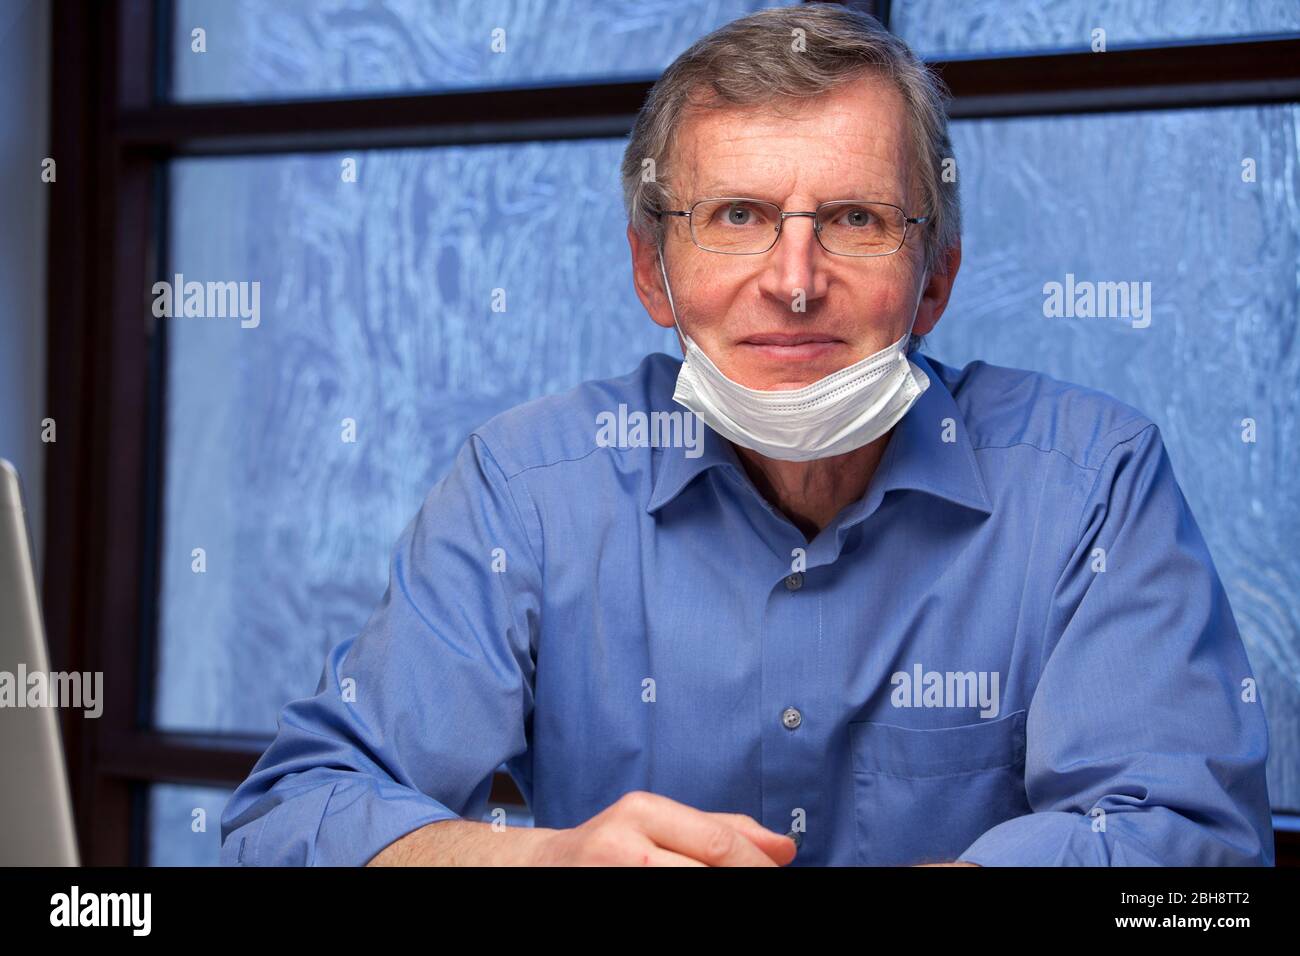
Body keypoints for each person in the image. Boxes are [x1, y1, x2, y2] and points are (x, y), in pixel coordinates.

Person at [219, 3, 1273, 867]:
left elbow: (1197, 849)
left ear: (936, 280)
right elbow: (289, 818)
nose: (794, 279)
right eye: (735, 216)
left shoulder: (1090, 483)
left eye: (855, 219)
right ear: (651, 273)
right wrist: (545, 862)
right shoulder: (530, 487)